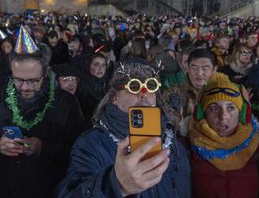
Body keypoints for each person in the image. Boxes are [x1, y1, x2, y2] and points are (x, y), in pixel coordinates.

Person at [0, 26, 85, 198]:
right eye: (18, 80)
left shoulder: (65, 102)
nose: (24, 87)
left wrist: (42, 147)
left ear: (46, 73)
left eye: (32, 81)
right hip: (4, 188)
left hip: (47, 189)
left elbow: (80, 150)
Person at [57, 59, 191, 197]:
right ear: (114, 97)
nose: (143, 93)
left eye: (151, 86)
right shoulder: (91, 144)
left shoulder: (172, 140)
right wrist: (116, 185)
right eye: (134, 86)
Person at [189, 72, 259, 198]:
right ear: (202, 114)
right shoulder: (188, 150)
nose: (223, 116)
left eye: (231, 108)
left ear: (242, 114)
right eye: (214, 108)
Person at [161, 48, 218, 136]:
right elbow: (167, 121)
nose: (199, 73)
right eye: (194, 67)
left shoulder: (222, 94)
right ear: (188, 67)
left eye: (205, 68)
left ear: (214, 69)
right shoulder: (173, 93)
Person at [76, 53, 110, 120]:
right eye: (96, 65)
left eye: (103, 65)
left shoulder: (108, 84)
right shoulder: (82, 86)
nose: (100, 68)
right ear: (88, 66)